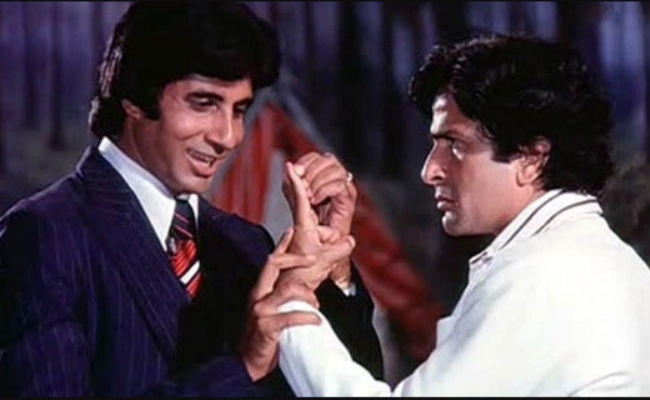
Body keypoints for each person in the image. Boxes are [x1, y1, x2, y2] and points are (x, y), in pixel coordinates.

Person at [0, 1, 382, 396]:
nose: (228, 137)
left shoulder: (246, 243)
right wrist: (242, 367)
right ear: (134, 97)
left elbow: (355, 388)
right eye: (204, 103)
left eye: (239, 110)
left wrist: (333, 269)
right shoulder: (44, 234)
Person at [276, 33, 650, 396]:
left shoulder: (546, 273)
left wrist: (290, 309)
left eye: (454, 145)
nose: (430, 171)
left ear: (532, 159)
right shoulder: (595, 258)